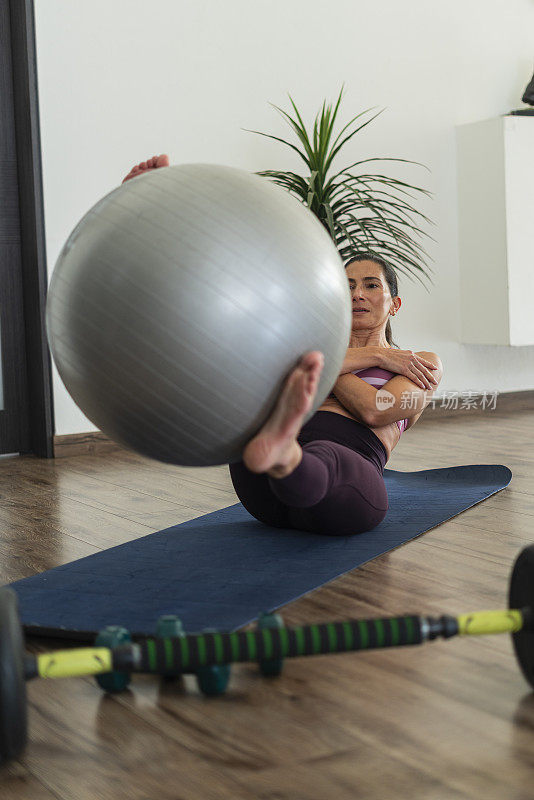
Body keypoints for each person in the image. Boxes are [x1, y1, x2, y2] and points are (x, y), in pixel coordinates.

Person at [122, 155, 443, 535]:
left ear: (395, 303)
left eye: (371, 285)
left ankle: (283, 454)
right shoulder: (364, 356)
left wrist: (319, 361)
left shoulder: (421, 362)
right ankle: (153, 220)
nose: (357, 294)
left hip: (343, 479)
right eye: (348, 286)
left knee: (327, 459)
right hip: (261, 488)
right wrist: (373, 354)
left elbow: (375, 410)